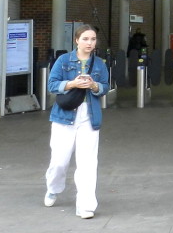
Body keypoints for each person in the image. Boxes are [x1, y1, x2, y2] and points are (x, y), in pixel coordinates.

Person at [44, 24, 109, 219]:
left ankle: (86, 205)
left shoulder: (99, 64)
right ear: (77, 40)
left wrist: (94, 85)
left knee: (88, 163)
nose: (90, 43)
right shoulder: (64, 60)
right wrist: (72, 83)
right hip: (64, 116)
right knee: (59, 161)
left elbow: (105, 87)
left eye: (93, 39)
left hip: (89, 117)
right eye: (86, 39)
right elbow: (52, 84)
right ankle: (53, 188)